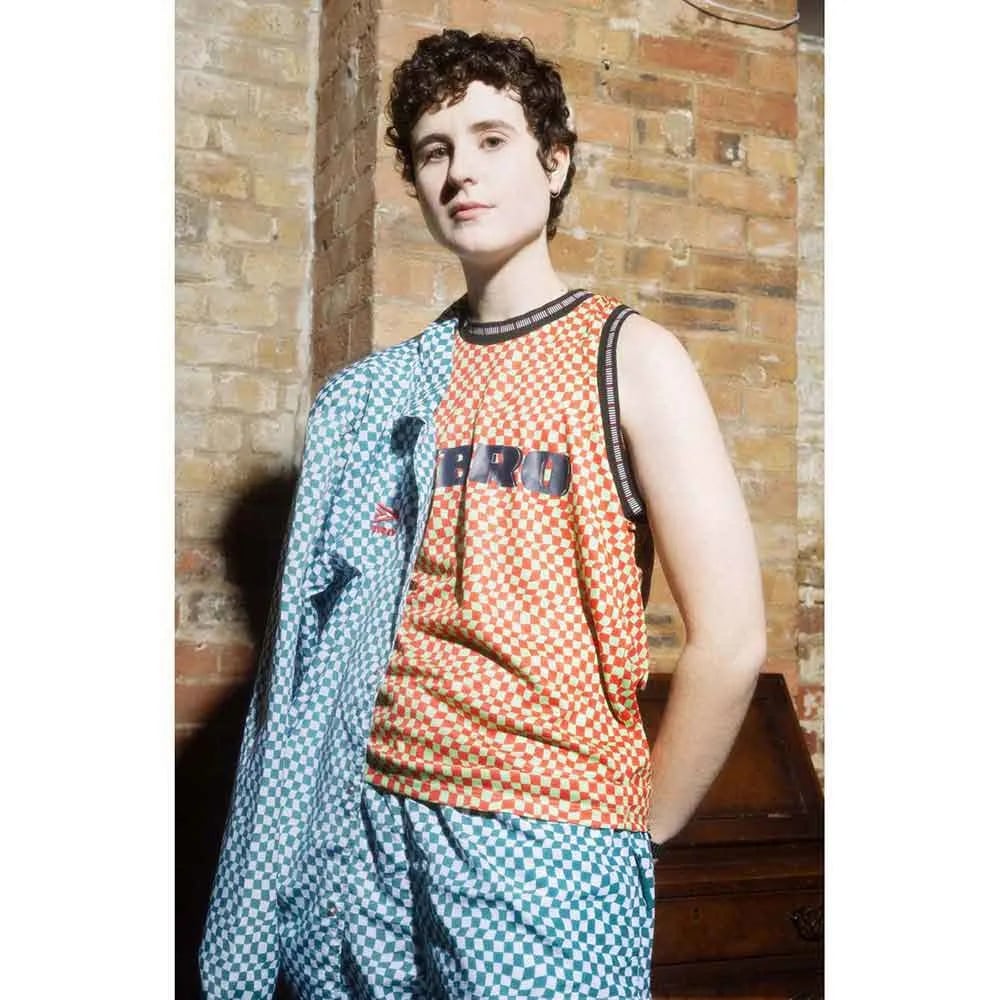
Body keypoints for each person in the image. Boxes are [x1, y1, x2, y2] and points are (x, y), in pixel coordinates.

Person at [200, 27, 767, 1000]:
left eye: (492, 139)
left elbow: (732, 638)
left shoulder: (630, 358)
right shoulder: (382, 394)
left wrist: (636, 828)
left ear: (555, 161)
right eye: (435, 150)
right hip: (367, 828)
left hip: (546, 835)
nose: (461, 170)